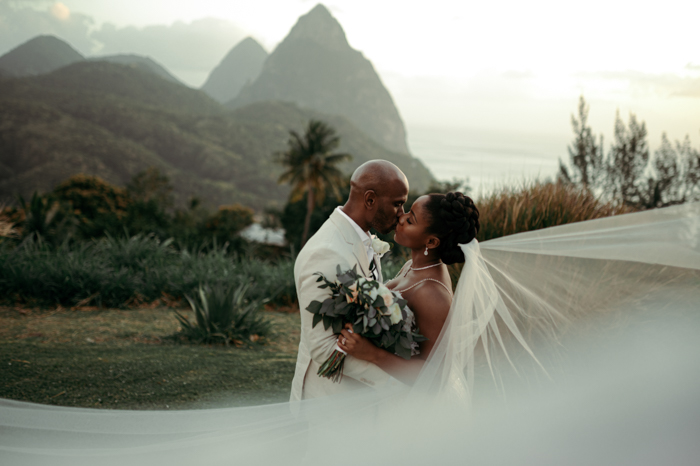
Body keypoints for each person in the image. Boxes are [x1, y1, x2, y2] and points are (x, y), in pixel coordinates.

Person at [290, 159, 409, 401]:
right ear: (370, 200)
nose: (402, 214)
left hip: (360, 405)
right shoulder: (326, 253)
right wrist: (395, 382)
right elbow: (323, 348)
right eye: (397, 204)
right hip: (331, 405)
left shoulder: (361, 237)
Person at [337, 192, 480, 385]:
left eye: (410, 220)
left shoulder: (432, 294)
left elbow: (436, 378)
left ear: (431, 242)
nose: (401, 217)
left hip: (413, 404)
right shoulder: (413, 266)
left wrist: (372, 353)